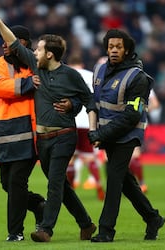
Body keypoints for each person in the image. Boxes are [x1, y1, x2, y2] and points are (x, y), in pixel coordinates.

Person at [0, 13, 98, 243]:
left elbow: (86, 99)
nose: (34, 52)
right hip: (26, 137)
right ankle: (84, 222)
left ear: (47, 53)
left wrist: (73, 106)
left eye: (37, 49)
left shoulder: (58, 72)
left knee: (48, 183)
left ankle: (40, 229)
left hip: (53, 136)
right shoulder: (31, 68)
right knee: (41, 184)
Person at [87, 29, 165, 242]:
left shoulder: (138, 78)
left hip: (128, 135)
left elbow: (132, 115)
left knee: (113, 179)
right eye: (110, 46)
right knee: (126, 182)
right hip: (107, 133)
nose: (113, 50)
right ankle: (153, 218)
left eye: (118, 47)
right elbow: (93, 101)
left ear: (128, 50)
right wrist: (95, 130)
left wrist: (101, 133)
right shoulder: (99, 70)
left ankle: (106, 231)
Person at [65, 55, 105, 201]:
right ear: (82, 63)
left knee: (70, 158)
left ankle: (70, 189)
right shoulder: (91, 76)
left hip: (71, 121)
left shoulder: (67, 75)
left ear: (69, 64)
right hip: (88, 121)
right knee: (89, 158)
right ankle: (99, 184)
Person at [129, 89, 160, 193]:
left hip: (126, 122)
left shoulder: (122, 81)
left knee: (128, 155)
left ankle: (137, 185)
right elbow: (155, 104)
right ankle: (140, 184)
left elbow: (156, 104)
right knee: (133, 155)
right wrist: (142, 110)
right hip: (140, 123)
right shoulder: (145, 83)